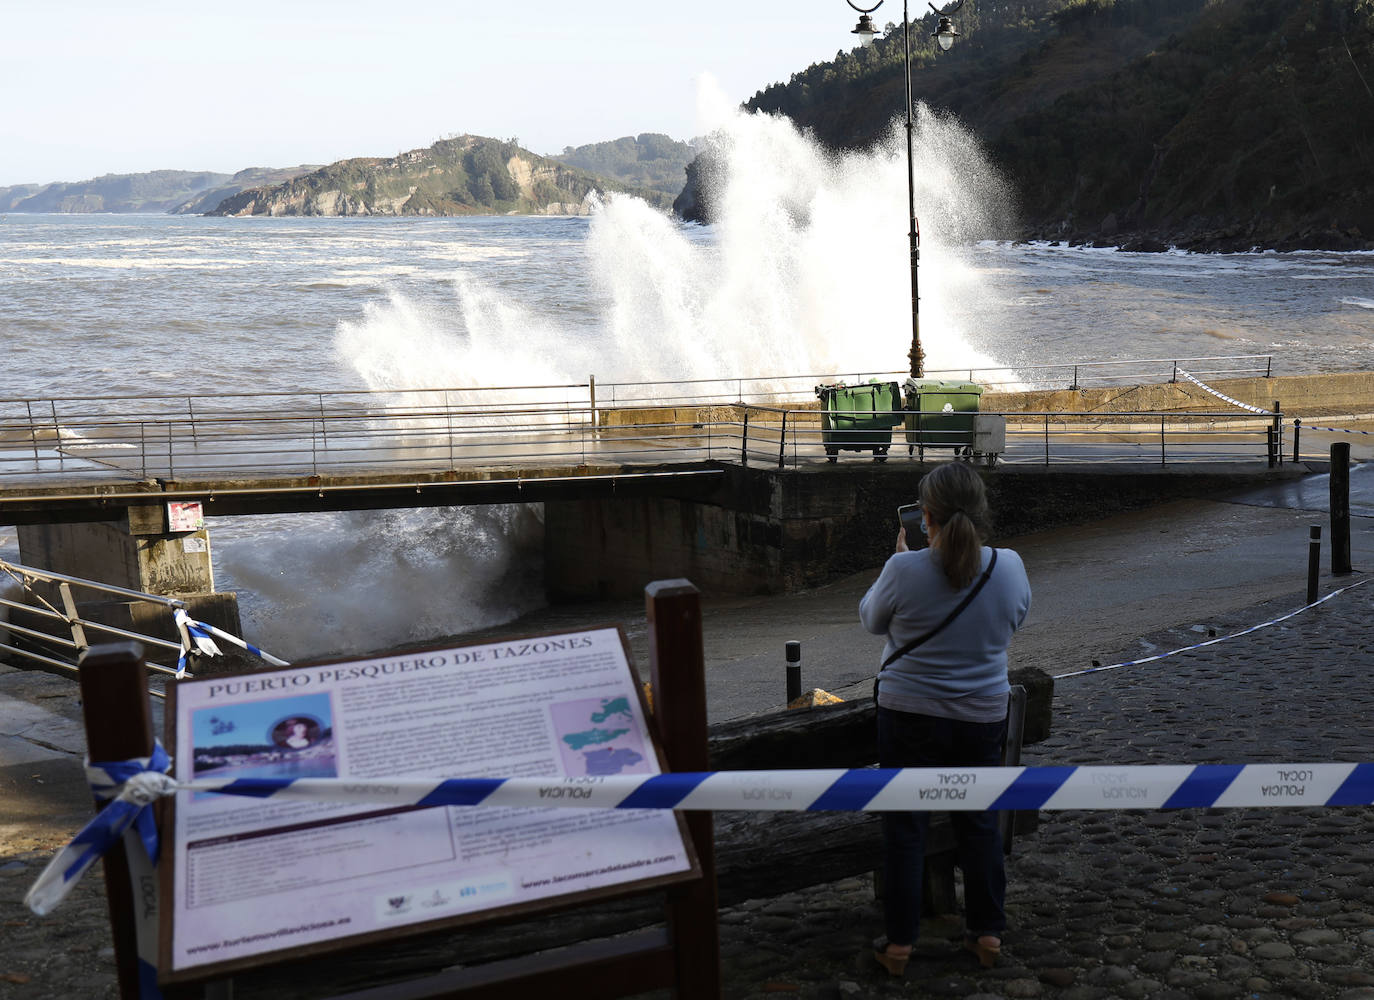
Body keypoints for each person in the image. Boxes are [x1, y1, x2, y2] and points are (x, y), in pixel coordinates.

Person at [859, 462, 1032, 975]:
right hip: (982, 714)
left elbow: (872, 620)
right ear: (980, 512)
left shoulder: (904, 569)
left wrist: (899, 563)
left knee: (905, 828)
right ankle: (987, 936)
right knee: (978, 823)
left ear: (925, 516)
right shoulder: (1011, 565)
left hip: (909, 713)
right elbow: (1015, 619)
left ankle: (899, 947)